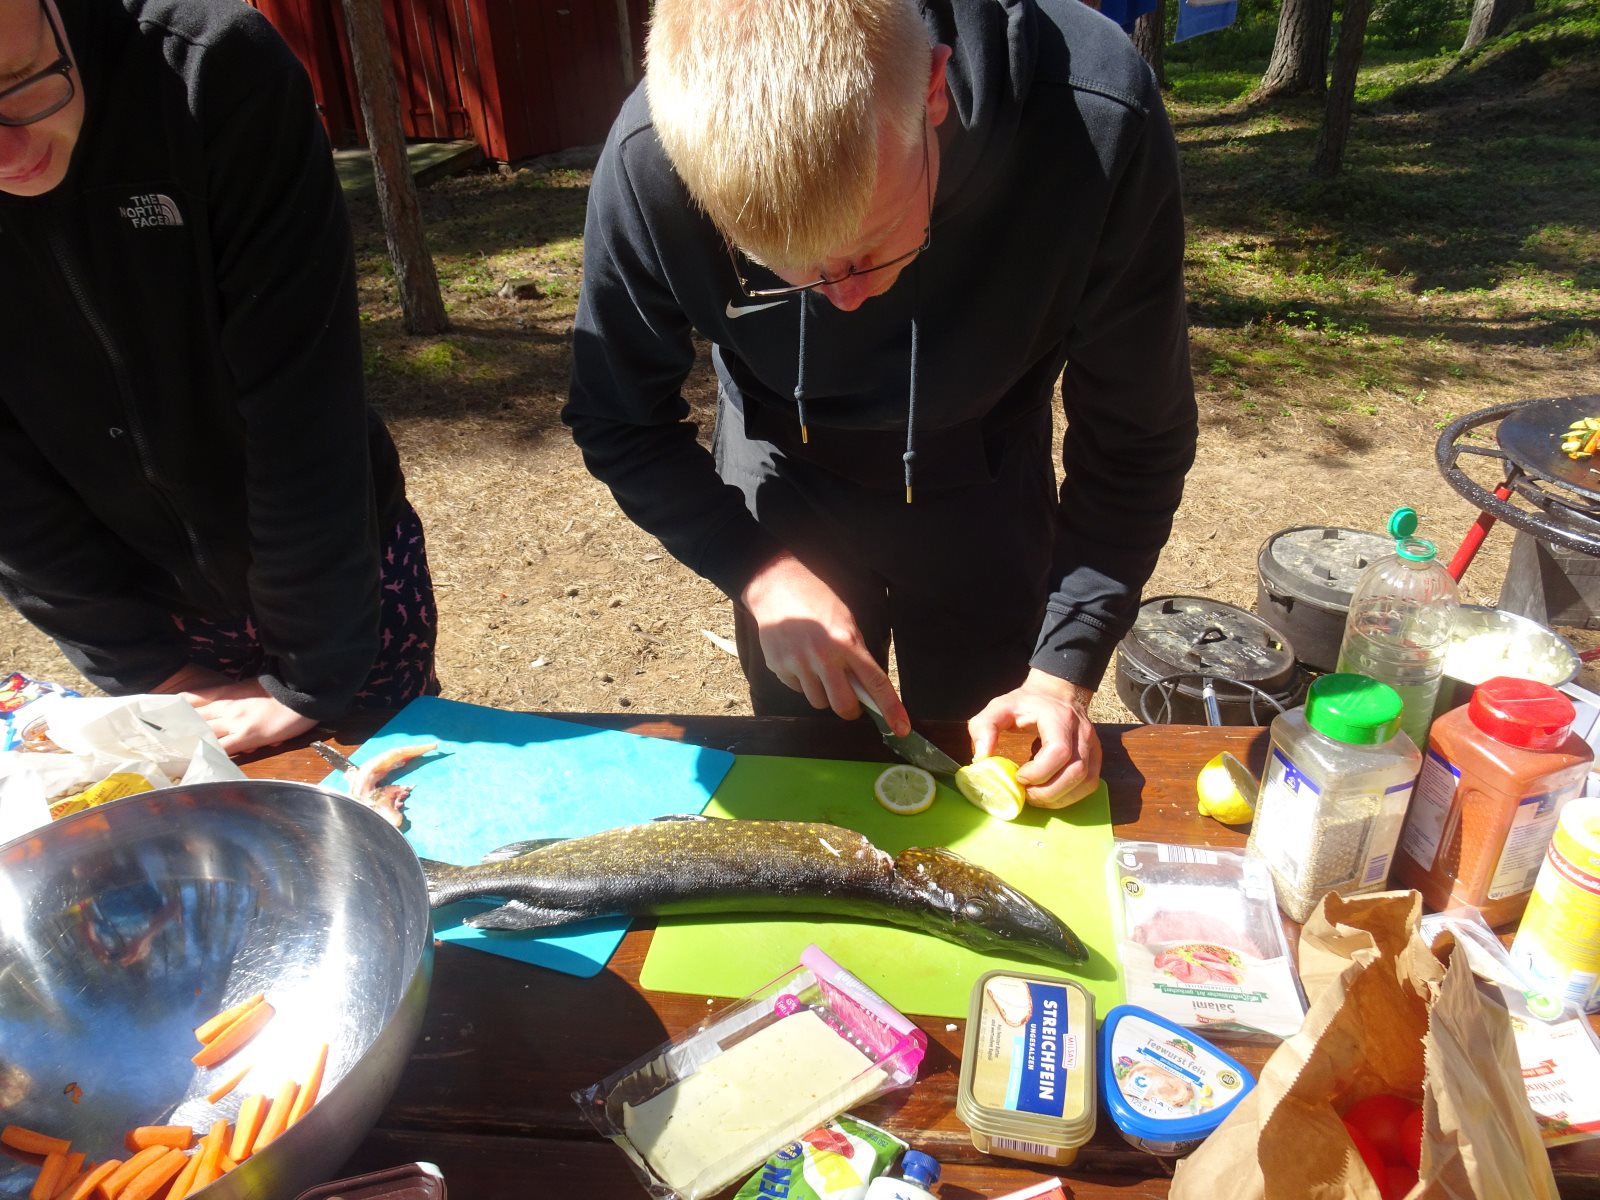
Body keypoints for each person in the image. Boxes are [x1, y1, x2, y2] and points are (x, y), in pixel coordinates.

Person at [563, 0, 1197, 806]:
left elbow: (1136, 438)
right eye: (785, 272)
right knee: (810, 752)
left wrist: (1062, 668)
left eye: (868, 247)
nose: (845, 300)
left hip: (984, 474)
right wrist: (759, 572)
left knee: (992, 736)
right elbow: (619, 417)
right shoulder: (652, 155)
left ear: (932, 90)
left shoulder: (1094, 114)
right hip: (782, 469)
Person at [0, 0, 438, 755]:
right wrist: (145, 664)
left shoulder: (211, 68)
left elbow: (302, 400)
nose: (9, 155)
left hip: (341, 573)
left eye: (21, 82)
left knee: (394, 776)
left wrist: (310, 674)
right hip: (147, 603)